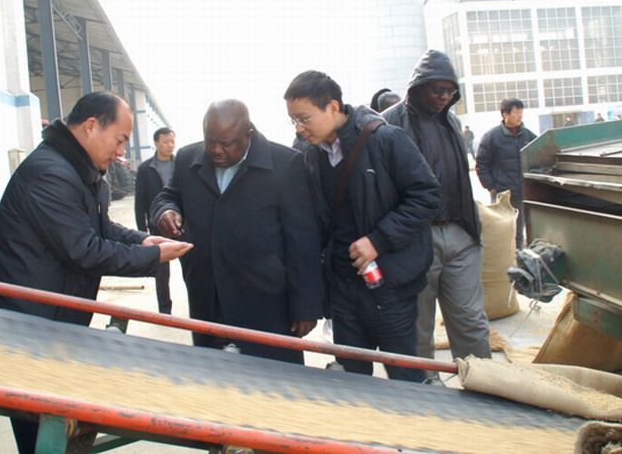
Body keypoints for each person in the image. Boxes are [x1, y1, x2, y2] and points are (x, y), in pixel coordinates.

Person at [0, 91, 192, 453]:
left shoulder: (80, 170)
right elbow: (84, 249)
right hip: (31, 326)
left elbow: (101, 228)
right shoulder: (50, 173)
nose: (121, 152)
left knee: (58, 423)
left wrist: (144, 240)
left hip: (57, 318)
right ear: (91, 126)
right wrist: (153, 258)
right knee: (39, 431)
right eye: (119, 140)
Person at [284, 70, 441, 381]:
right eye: (293, 121)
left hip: (389, 285)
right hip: (342, 287)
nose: (299, 128)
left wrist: (378, 240)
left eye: (304, 119)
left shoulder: (385, 140)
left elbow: (427, 195)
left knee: (405, 377)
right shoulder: (308, 153)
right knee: (352, 380)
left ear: (332, 107)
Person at [151, 99, 323, 364]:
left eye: (226, 143)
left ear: (248, 135)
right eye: (210, 142)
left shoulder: (284, 164)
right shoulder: (187, 159)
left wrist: (305, 307)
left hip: (265, 302)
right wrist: (166, 211)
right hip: (208, 298)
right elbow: (168, 196)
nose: (216, 150)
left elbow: (302, 240)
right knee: (215, 377)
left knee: (271, 377)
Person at [382, 50, 492, 370]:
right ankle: (422, 389)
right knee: (417, 325)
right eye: (438, 90)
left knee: (471, 320)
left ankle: (481, 383)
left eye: (450, 91)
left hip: (460, 233)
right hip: (416, 238)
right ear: (419, 87)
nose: (444, 97)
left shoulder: (451, 122)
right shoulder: (389, 122)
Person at [475, 98, 537, 250]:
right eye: (516, 112)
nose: (519, 115)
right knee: (502, 231)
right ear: (505, 114)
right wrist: (491, 187)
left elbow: (538, 158)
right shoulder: (492, 137)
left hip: (522, 192)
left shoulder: (528, 136)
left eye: (521, 112)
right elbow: (482, 164)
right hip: (502, 192)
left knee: (519, 231)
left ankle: (518, 257)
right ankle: (504, 260)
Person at [133, 127, 176, 314]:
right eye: (166, 142)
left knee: (191, 269)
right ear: (156, 143)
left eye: (172, 141)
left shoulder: (180, 165)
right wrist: (142, 233)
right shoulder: (146, 169)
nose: (170, 145)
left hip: (181, 225)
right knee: (161, 272)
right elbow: (140, 202)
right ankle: (165, 311)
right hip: (157, 226)